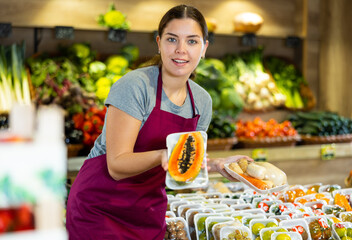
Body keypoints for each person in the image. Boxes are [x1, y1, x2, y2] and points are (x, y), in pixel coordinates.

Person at [66, 4, 250, 239]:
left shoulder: (201, 101)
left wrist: (216, 165)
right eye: (172, 39)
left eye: (192, 41)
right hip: (100, 207)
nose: (181, 50)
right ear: (159, 42)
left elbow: (184, 169)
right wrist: (166, 155)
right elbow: (117, 165)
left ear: (204, 48)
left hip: (147, 211)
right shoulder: (135, 86)